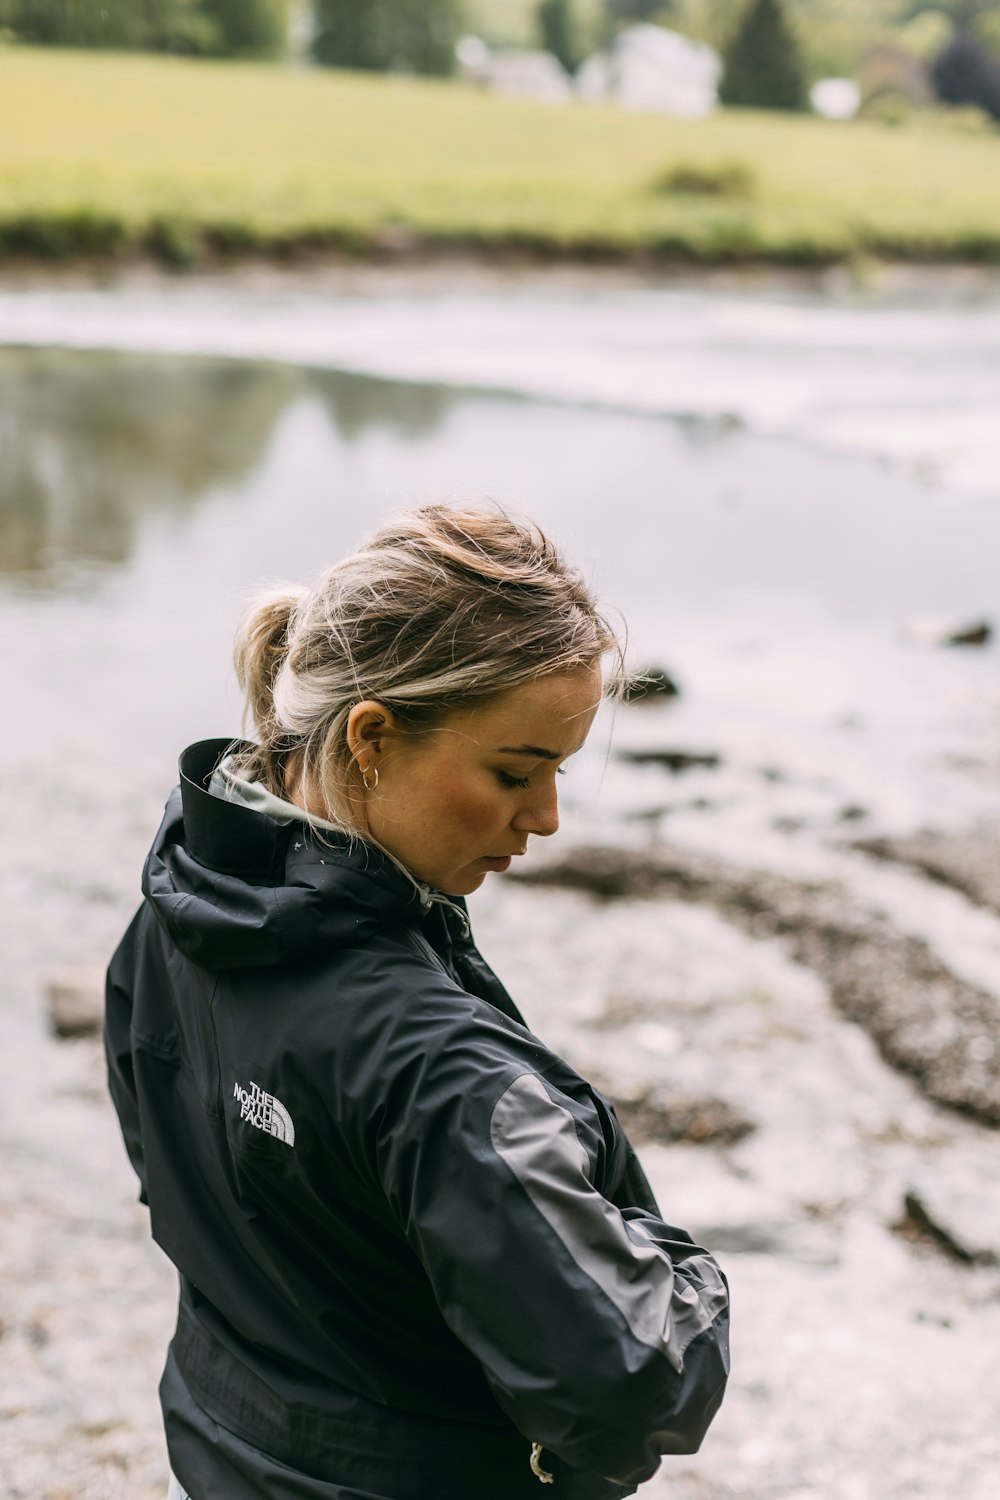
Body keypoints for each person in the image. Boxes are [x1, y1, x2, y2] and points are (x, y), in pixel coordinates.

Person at [105, 504, 730, 1500]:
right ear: (371, 738)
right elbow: (633, 1383)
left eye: (558, 772)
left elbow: (181, 1187)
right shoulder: (442, 1075)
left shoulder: (177, 909)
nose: (548, 818)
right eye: (515, 771)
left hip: (221, 1452)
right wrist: (685, 1273)